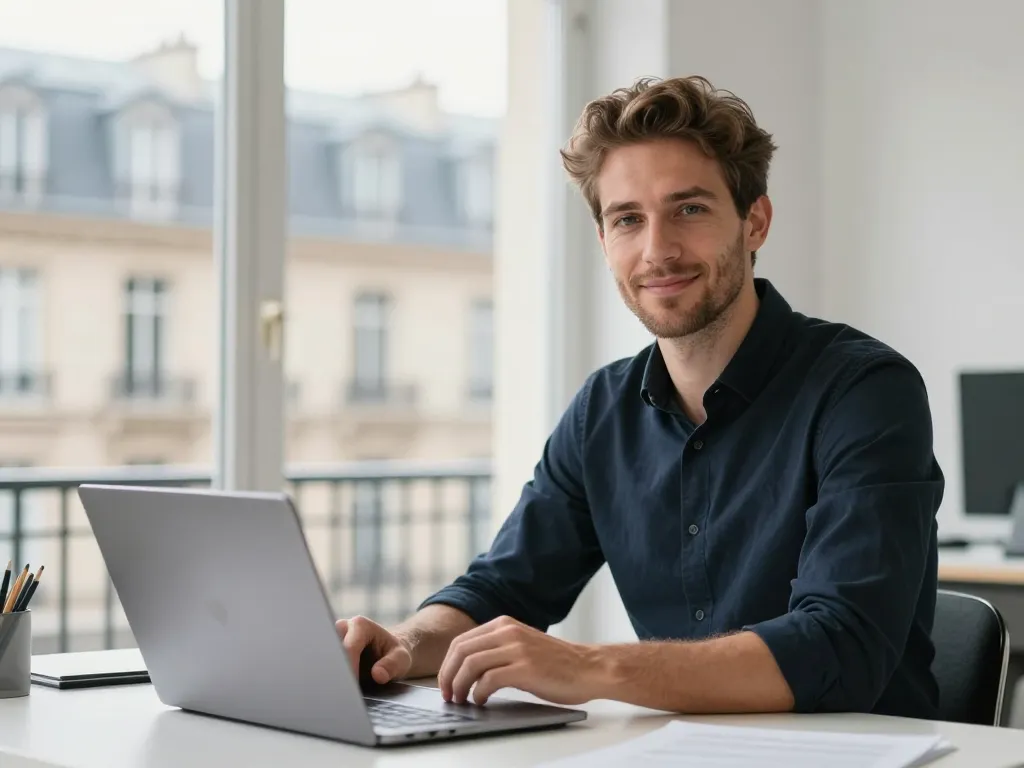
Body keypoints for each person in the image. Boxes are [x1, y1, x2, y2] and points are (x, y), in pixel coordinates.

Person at [336, 75, 944, 719]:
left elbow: (839, 648)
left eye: (690, 209)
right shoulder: (602, 410)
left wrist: (587, 667)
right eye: (628, 219)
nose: (658, 250)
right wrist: (403, 644)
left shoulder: (866, 391)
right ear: (605, 241)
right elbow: (501, 587)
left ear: (755, 222)